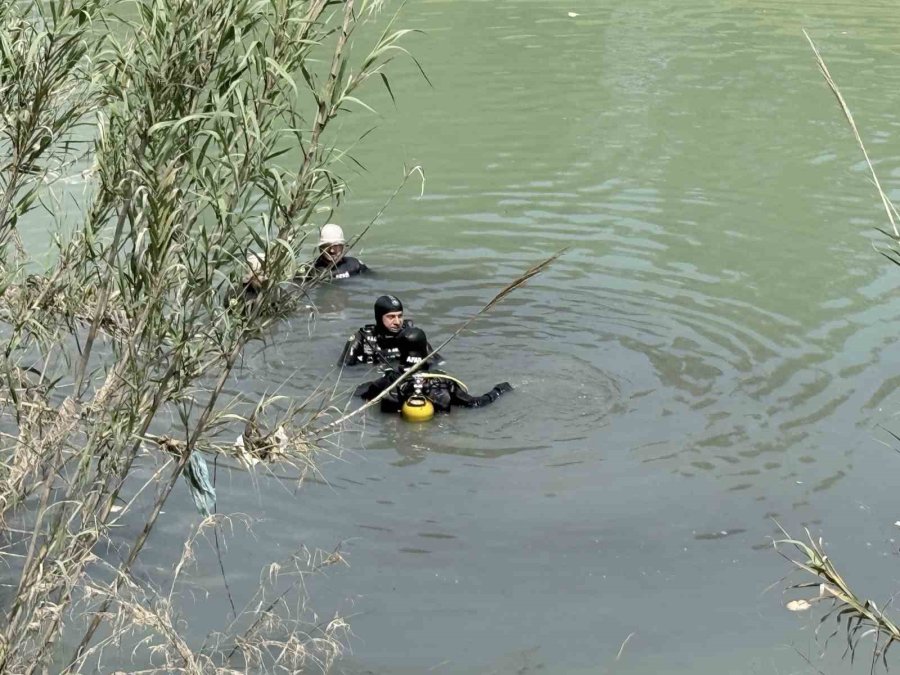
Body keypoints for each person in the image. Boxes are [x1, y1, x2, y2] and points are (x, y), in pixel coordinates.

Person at [354, 326, 512, 415]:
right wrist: (499, 390)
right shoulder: (444, 382)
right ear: (425, 349)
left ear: (400, 351)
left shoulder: (388, 381)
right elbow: (475, 403)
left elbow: (358, 392)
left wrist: (388, 376)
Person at [339, 294, 442, 367]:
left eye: (400, 316)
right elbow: (344, 370)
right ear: (379, 318)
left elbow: (438, 363)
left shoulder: (411, 337)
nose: (397, 322)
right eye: (391, 317)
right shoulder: (362, 338)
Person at [298, 223, 369, 281]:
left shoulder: (355, 265)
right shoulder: (309, 271)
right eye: (326, 245)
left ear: (343, 246)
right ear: (320, 248)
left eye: (336, 246)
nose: (332, 250)